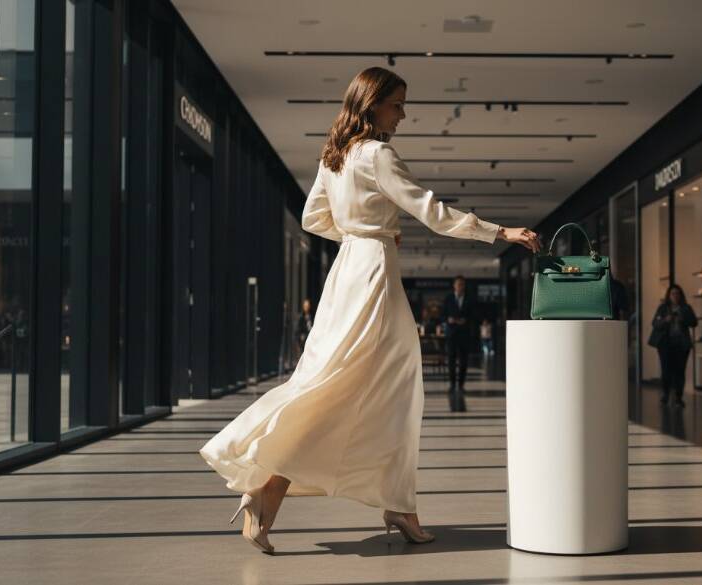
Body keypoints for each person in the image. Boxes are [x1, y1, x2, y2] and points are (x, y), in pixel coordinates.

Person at [199, 67, 540, 554]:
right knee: (387, 390)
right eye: (397, 104)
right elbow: (431, 211)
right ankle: (302, 492)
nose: (403, 114)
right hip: (376, 277)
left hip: (346, 274)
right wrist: (498, 232)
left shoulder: (334, 155)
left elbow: (314, 218)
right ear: (373, 103)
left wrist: (362, 232)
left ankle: (289, 494)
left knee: (337, 381)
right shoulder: (378, 154)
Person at [649, 284, 698, 407]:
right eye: (673, 293)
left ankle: (678, 397)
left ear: (681, 295)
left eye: (677, 293)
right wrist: (666, 320)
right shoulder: (663, 308)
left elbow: (694, 322)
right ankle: (665, 395)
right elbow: (655, 323)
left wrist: (683, 318)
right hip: (666, 344)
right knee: (666, 370)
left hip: (681, 344)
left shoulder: (686, 308)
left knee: (680, 371)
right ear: (669, 295)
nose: (675, 296)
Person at [442, 276, 474, 412]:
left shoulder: (470, 299)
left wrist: (465, 320)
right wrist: (448, 319)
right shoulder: (448, 299)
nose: (460, 286)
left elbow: (474, 315)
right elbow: (442, 314)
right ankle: (452, 384)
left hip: (464, 334)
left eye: (462, 284)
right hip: (451, 334)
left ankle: (460, 385)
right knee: (451, 359)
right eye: (458, 284)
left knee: (463, 361)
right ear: (454, 286)